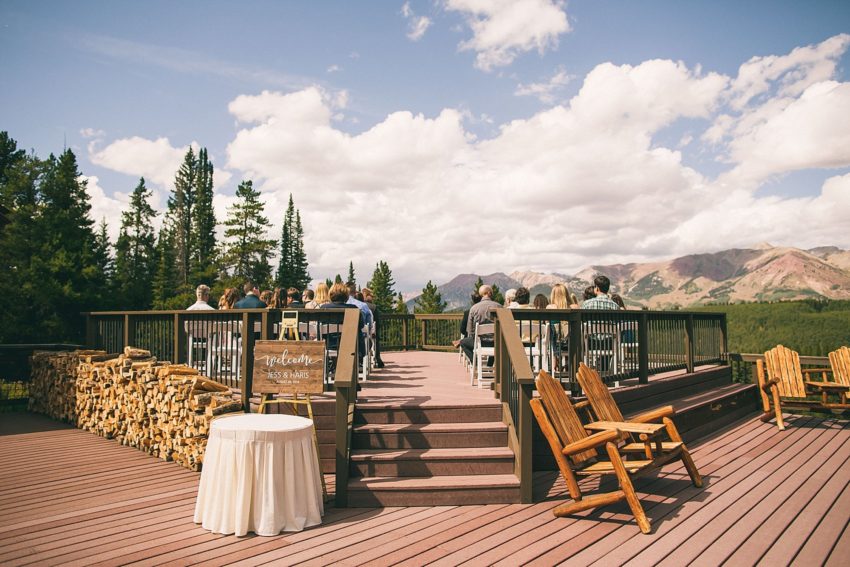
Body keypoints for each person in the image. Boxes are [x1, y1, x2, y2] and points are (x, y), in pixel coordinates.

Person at [460, 285, 501, 363]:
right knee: (496, 345)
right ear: (490, 293)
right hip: (496, 343)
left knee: (463, 342)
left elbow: (469, 330)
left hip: (480, 342)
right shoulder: (499, 306)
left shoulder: (474, 308)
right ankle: (489, 365)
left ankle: (476, 363)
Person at [361, 287, 385, 368]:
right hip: (370, 334)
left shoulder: (358, 306)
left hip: (359, 334)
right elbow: (377, 323)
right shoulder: (373, 307)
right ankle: (377, 358)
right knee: (376, 336)